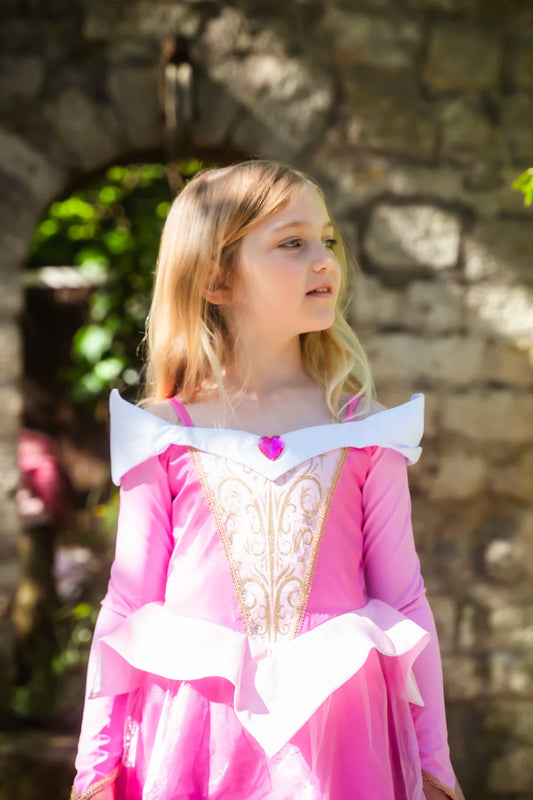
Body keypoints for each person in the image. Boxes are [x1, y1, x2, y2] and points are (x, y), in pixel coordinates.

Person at [71, 160, 464, 800]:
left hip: (341, 741)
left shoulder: (363, 431)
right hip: (197, 738)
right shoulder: (165, 432)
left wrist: (435, 767)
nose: (324, 261)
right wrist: (95, 770)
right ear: (218, 280)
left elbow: (405, 601)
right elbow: (127, 602)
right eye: (292, 242)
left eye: (328, 240)